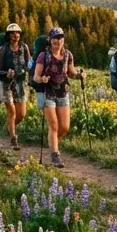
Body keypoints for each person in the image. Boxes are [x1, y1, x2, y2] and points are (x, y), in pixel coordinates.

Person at [33, 26, 85, 168]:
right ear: (50, 40)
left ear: (63, 40)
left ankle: (53, 143)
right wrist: (41, 79)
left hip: (63, 92)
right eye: (55, 38)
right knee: (54, 125)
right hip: (47, 93)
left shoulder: (68, 54)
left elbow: (71, 72)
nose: (58, 41)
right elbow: (36, 76)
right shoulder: (43, 56)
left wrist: (79, 75)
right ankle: (55, 155)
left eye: (60, 38)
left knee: (65, 127)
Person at [0, 23, 31, 149]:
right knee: (12, 111)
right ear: (8, 35)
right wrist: (6, 73)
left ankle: (9, 127)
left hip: (20, 83)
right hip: (6, 84)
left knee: (21, 114)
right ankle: (14, 138)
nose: (16, 35)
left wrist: (28, 75)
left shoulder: (24, 48)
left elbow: (28, 64)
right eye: (13, 33)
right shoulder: (3, 49)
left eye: (18, 33)